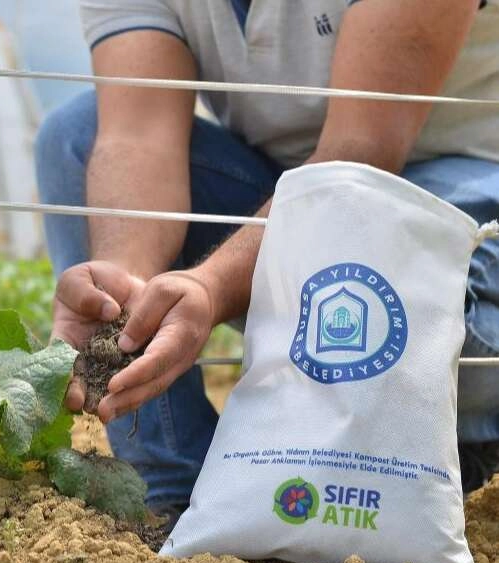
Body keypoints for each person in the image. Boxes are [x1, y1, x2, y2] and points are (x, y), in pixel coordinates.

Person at [36, 0, 499, 521]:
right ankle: (171, 489)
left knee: (426, 314)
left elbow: (363, 147)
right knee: (76, 137)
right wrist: (125, 292)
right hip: (279, 186)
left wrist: (211, 284)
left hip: (457, 188)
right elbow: (137, 135)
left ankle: (459, 444)